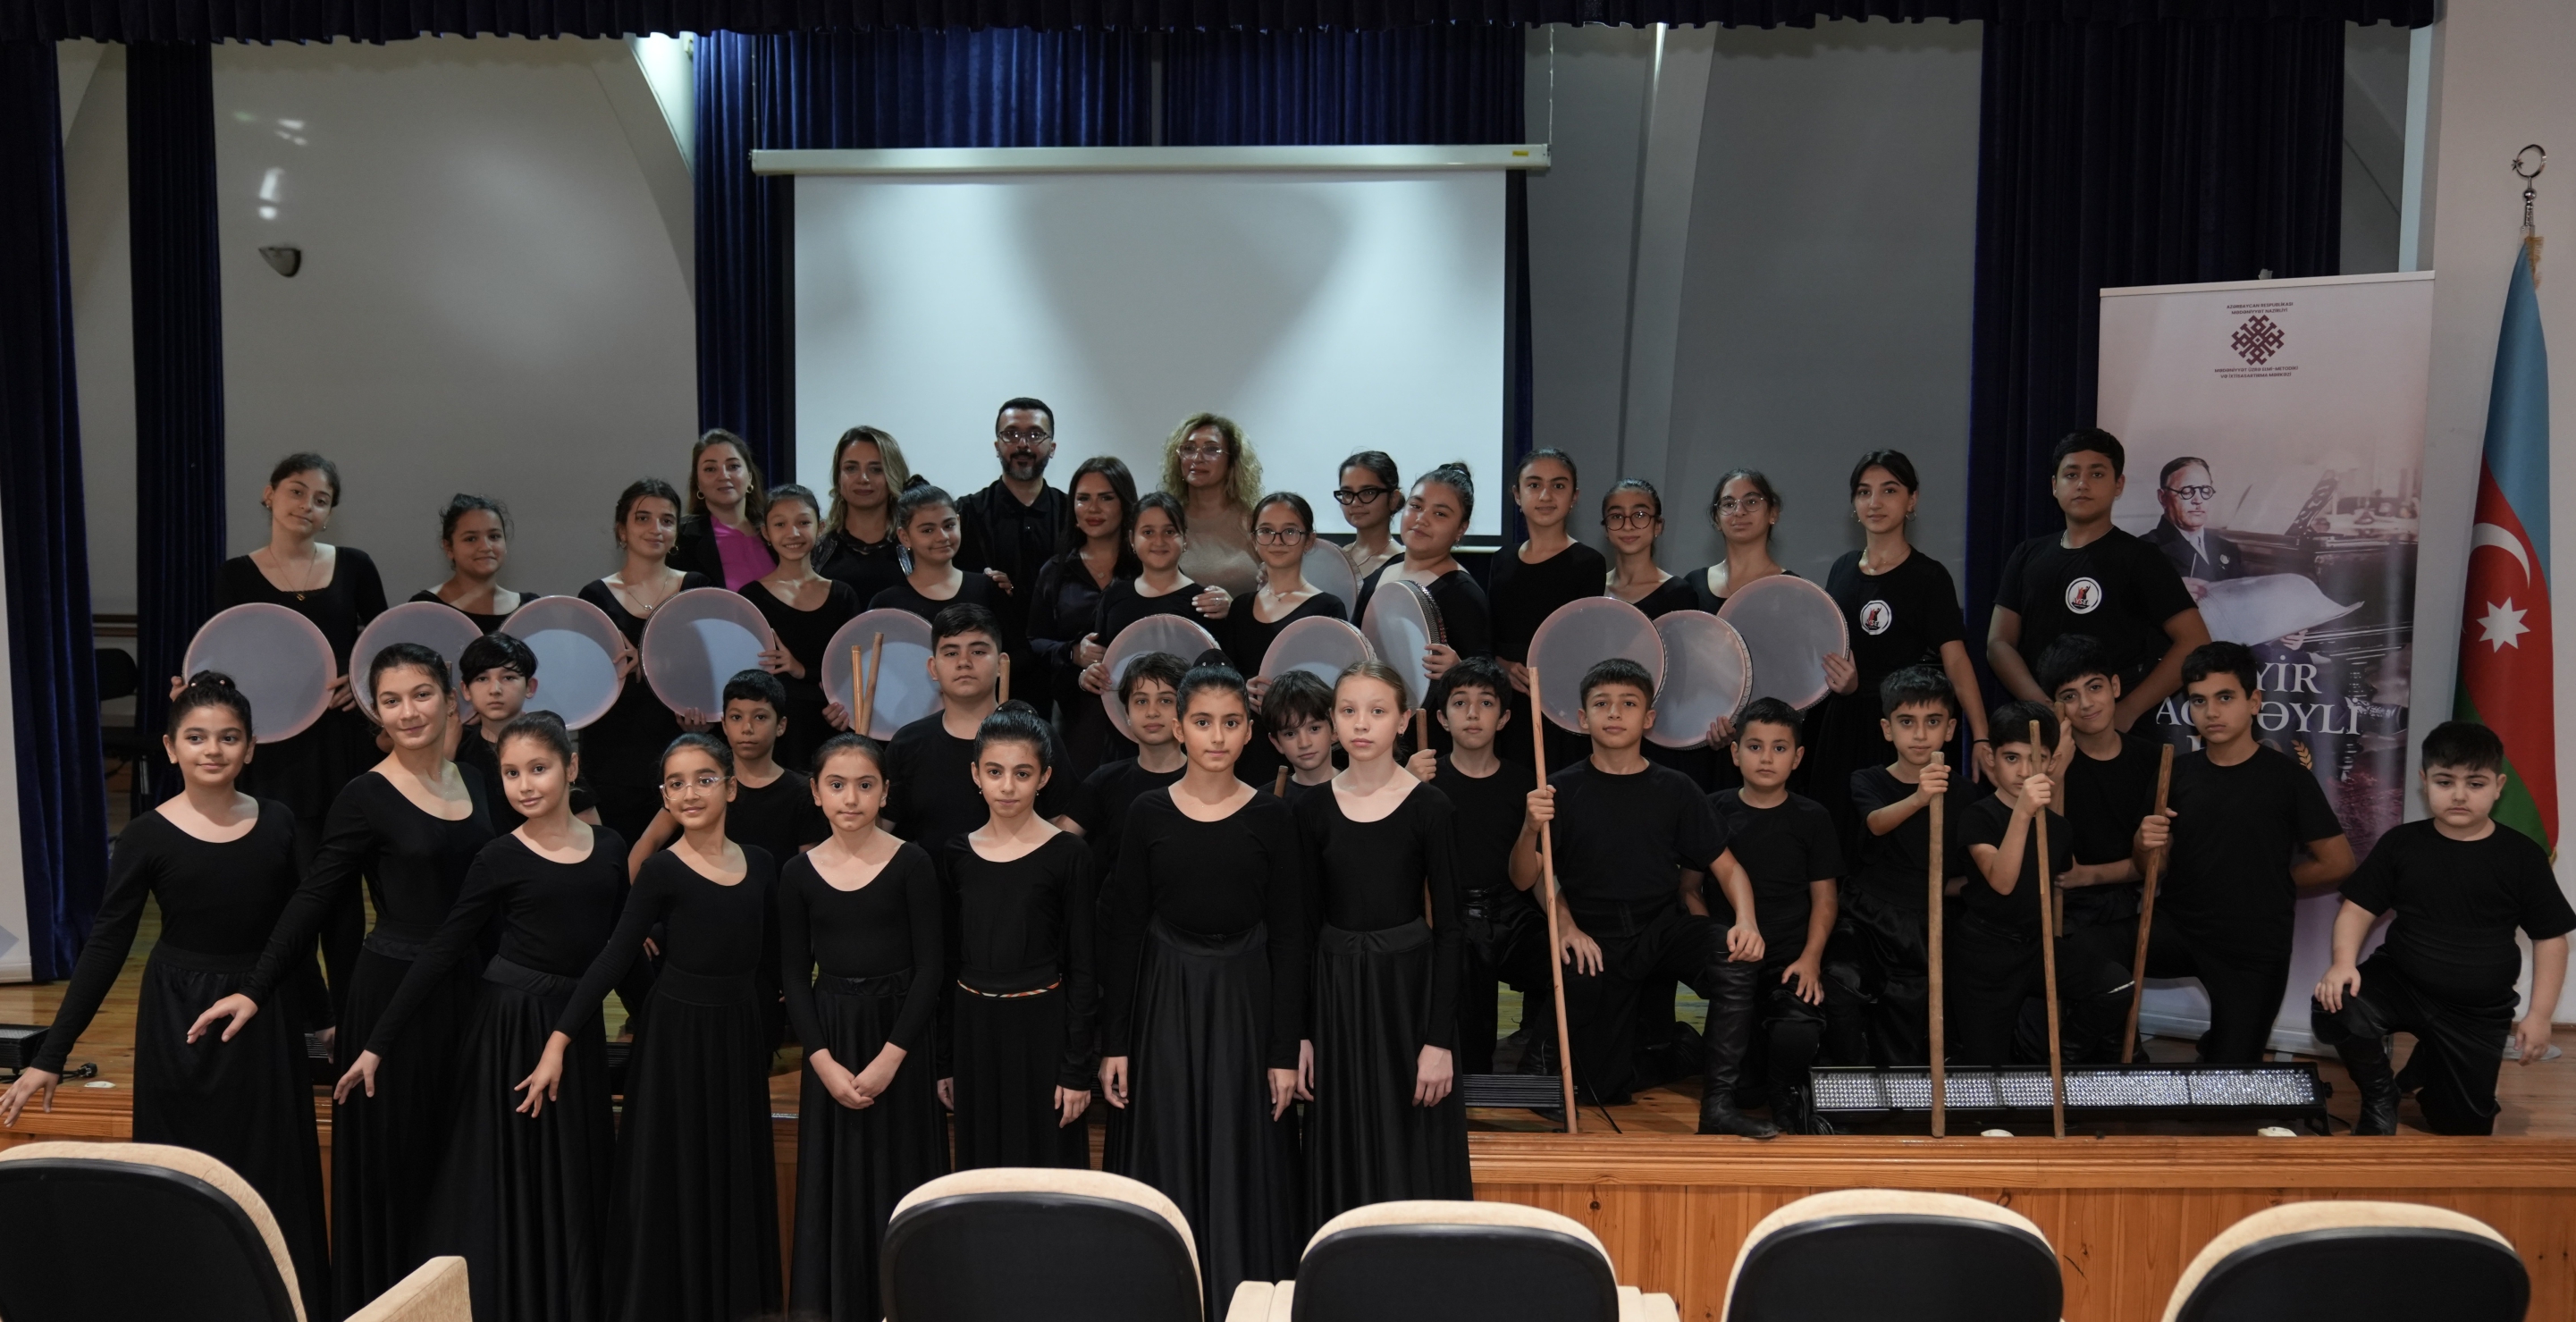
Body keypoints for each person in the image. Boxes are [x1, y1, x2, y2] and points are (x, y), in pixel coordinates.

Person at [3, 674, 331, 1322]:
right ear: (170, 747)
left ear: (251, 747)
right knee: (185, 1169)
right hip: (179, 1019)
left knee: (272, 1168)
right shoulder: (148, 834)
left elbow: (294, 935)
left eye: (229, 737)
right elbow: (106, 944)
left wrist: (324, 1021)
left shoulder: (280, 823)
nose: (213, 749)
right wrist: (51, 1053)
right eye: (197, 737)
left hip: (261, 1015)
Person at [189, 643, 497, 1316]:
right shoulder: (364, 794)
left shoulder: (477, 781)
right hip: (394, 999)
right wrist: (257, 987)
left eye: (421, 694)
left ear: (451, 700)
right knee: (399, 1173)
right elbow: (312, 900)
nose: (408, 711)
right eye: (390, 700)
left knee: (464, 1169)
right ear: (375, 712)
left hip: (471, 993)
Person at [332, 712, 645, 1322]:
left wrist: (659, 1023)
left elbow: (623, 954)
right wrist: (376, 1043)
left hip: (573, 1028)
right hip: (510, 1030)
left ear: (572, 768)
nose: (525, 784)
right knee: (508, 1179)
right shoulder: (498, 855)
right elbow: (444, 949)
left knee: (573, 1175)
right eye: (511, 773)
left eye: (539, 768)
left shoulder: (610, 848)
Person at [524, 733, 783, 1322]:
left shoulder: (763, 864)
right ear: (664, 797)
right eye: (676, 783)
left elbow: (772, 963)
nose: (690, 792)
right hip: (674, 1041)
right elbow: (614, 957)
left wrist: (771, 1039)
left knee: (733, 1176)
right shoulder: (662, 870)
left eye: (703, 779)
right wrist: (559, 1039)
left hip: (738, 1036)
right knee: (674, 1176)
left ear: (730, 787)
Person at [1099, 664, 1306, 1313]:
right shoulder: (1147, 812)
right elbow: (1125, 929)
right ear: (1179, 727)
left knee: (1243, 1151)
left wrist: (1283, 1050)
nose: (1217, 736)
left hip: (1245, 1001)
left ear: (1249, 732)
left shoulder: (1273, 816)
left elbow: (1292, 937)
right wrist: (1115, 1041)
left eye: (1231, 722)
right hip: (1166, 999)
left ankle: (1242, 1298)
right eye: (1203, 721)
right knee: (1167, 1143)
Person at [1510, 658, 1774, 1137]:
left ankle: (1719, 1105)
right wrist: (1531, 830)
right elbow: (1524, 876)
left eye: (1628, 704)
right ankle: (1675, 1053)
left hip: (1659, 929)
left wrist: (1747, 922)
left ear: (1648, 718)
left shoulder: (1676, 788)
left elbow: (1730, 869)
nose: (1615, 713)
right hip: (1594, 934)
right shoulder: (1560, 788)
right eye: (1602, 704)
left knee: (1732, 955)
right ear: (1582, 718)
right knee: (1603, 1087)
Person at [2313, 720, 2574, 1136]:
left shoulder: (2522, 856)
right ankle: (2381, 1095)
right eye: (2445, 781)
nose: (2459, 795)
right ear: (2425, 781)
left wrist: (2540, 1016)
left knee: (2461, 1127)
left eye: (2475, 783)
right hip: (2403, 982)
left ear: (2498, 786)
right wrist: (2342, 963)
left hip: (2476, 1010)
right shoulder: (2401, 843)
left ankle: (2429, 1063)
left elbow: (2551, 940)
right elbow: (2356, 910)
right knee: (2337, 1000)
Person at [205, 453, 388, 1012]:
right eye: (296, 491)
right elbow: (221, 659)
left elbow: (385, 650)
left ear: (330, 513)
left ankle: (350, 1016)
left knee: (342, 888)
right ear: (270, 495)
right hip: (274, 749)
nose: (306, 505)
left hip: (341, 745)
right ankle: (307, 1013)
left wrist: (361, 683)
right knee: (286, 887)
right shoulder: (235, 574)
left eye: (321, 499)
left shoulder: (355, 565)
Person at [1299, 661, 1469, 1225]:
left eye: (1377, 711)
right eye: (1348, 711)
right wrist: (1300, 1033)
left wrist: (1438, 1041)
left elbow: (1452, 929)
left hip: (1407, 997)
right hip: (1336, 998)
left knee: (1411, 1140)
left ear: (1403, 721)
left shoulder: (1430, 807)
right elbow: (1301, 930)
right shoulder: (1312, 810)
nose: (1361, 723)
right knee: (1342, 1140)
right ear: (1333, 721)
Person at [781, 735, 946, 1319]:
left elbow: (931, 968)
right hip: (832, 1038)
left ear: (884, 792)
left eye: (865, 785)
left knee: (900, 1176)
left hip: (899, 1039)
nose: (851, 798)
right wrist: (822, 1062)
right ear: (816, 793)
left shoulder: (913, 863)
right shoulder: (798, 873)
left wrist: (890, 1058)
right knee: (835, 1184)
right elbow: (794, 975)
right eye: (837, 785)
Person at [2136, 642, 2354, 1063]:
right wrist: (2143, 844)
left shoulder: (2289, 779)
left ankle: (2221, 1047)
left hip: (2252, 947)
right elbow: (2151, 867)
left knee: (2231, 1079)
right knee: (2087, 954)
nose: (2211, 712)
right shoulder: (2174, 773)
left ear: (2254, 702)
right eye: (2199, 701)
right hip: (2177, 927)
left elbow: (2339, 862)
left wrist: (2270, 880)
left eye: (2225, 697)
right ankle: (2104, 1049)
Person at [943, 706, 1099, 1169]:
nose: (1008, 786)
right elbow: (946, 963)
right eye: (995, 772)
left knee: (1046, 1167)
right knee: (981, 1168)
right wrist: (944, 1062)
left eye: (1022, 773)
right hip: (975, 1033)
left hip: (1043, 1031)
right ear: (976, 774)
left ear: (1044, 777)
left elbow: (1084, 966)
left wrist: (1076, 1070)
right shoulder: (956, 853)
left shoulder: (1068, 853)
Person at [1816, 451, 1990, 846]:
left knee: (1899, 847)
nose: (1875, 502)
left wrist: (1981, 736)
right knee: (1839, 839)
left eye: (1889, 490)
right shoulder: (1841, 569)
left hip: (1903, 733)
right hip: (1842, 727)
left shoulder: (1929, 576)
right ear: (1854, 504)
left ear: (1912, 500)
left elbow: (1956, 661)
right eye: (1864, 492)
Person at [1987, 429, 2210, 732]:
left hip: (2115, 734)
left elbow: (2194, 640)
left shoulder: (2142, 557)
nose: (2082, 484)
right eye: (2071, 475)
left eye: (2097, 474)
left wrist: (2128, 710)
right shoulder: (2027, 555)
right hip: (2041, 731)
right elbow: (1999, 643)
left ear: (2119, 485)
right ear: (2054, 486)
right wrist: (2044, 707)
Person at [1706, 700, 1842, 1133]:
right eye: (1755, 746)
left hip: (1790, 960)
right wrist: (1715, 939)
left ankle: (1787, 1093)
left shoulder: (1812, 817)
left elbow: (1825, 899)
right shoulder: (1713, 810)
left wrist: (1811, 959)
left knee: (1796, 1034)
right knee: (1743, 1087)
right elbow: (1688, 888)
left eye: (1779, 748)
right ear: (1735, 752)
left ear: (1797, 757)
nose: (1766, 758)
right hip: (1734, 964)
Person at [1404, 658, 1544, 1076]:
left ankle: (1539, 1067)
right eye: (1460, 702)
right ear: (1443, 719)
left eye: (1486, 703)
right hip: (1450, 915)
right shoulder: (1424, 781)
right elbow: (1398, 855)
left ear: (1503, 718)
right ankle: (1471, 1078)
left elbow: (1529, 877)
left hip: (1510, 912)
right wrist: (1404, 787)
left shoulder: (1523, 783)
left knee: (1572, 969)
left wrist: (1565, 924)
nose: (1472, 713)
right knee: (1471, 1042)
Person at [2035, 634, 2168, 1062]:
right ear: (2056, 706)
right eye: (2069, 696)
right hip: (2061, 906)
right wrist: (2057, 770)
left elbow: (2156, 863)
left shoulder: (2152, 760)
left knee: (2113, 967)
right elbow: (2043, 855)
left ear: (2115, 685)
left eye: (2094, 687)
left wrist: (2089, 875)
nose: (2086, 704)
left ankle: (2113, 1053)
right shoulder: (2045, 764)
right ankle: (2093, 1056)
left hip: (2125, 902)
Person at [1841, 665, 1967, 1067]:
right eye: (1907, 722)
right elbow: (1876, 823)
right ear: (1887, 729)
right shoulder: (1868, 780)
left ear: (1950, 729)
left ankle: (1913, 1083)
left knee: (1918, 1014)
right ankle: (1855, 1080)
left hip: (1929, 920)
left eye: (1933, 721)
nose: (1920, 734)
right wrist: (1919, 797)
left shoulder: (1966, 794)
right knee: (1846, 987)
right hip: (1868, 918)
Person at [579, 477, 713, 845]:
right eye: (643, 518)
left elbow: (708, 670)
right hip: (612, 758)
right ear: (621, 530)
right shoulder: (594, 596)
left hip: (681, 754)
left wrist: (704, 719)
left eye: (667, 520)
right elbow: (586, 683)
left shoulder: (697, 587)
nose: (656, 528)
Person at [885, 605, 1079, 851]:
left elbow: (1064, 821)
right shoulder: (908, 743)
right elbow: (878, 829)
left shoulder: (1036, 736)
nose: (964, 662)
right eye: (951, 653)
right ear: (933, 667)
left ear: (1001, 664)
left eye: (978, 651)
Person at [1949, 703, 2079, 1067]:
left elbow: (2059, 880)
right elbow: (2002, 882)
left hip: (2035, 947)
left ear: (2052, 762)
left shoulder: (2059, 827)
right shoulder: (1979, 815)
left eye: (2037, 759)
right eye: (2012, 758)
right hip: (1984, 954)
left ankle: (2068, 1064)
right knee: (1986, 1066)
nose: (2024, 771)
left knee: (2116, 987)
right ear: (1992, 759)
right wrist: (2022, 812)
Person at [627, 669, 826, 878]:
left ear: (780, 725)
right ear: (724, 724)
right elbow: (650, 840)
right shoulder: (705, 783)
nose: (747, 728)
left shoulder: (801, 791)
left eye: (760, 717)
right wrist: (635, 892)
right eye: (736, 717)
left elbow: (808, 869)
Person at [957, 399, 1073, 719]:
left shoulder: (1074, 516)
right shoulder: (965, 514)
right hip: (987, 673)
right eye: (1011, 434)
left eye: (1035, 434)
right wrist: (981, 585)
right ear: (997, 445)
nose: (1023, 444)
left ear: (1052, 447)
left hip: (1063, 672)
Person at [1028, 456, 1141, 778]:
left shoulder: (1147, 565)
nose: (1093, 508)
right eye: (1083, 498)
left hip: (1140, 709)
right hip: (1073, 710)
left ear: (1125, 504)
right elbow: (1034, 641)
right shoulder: (1055, 571)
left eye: (1106, 498)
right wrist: (1072, 653)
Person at [743, 484, 863, 771]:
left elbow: (856, 670)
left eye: (803, 523)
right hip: (774, 734)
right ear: (766, 533)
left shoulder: (842, 595)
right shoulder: (750, 598)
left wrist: (802, 670)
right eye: (780, 524)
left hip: (831, 727)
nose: (793, 533)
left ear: (820, 527)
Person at [1229, 492, 1345, 789]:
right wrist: (1242, 688)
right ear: (1254, 539)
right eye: (1267, 531)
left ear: (1309, 540)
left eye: (1290, 531)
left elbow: (1338, 684)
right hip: (1249, 743)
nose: (1277, 541)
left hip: (1304, 746)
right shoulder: (1240, 607)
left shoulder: (1328, 607)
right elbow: (1228, 673)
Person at [1351, 463, 1493, 686]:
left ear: (1461, 529)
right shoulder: (1377, 578)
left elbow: (1486, 680)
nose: (1422, 519)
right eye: (1416, 506)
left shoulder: (1463, 593)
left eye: (1440, 513)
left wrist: (1460, 671)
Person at [454, 632, 602, 834]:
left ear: (530, 687)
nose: (495, 689)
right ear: (466, 690)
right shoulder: (458, 747)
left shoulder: (547, 744)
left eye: (508, 677)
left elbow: (593, 834)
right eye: (482, 678)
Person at [1487, 450, 1608, 688]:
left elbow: (1586, 644)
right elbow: (1490, 636)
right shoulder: (1502, 558)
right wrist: (1501, 666)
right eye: (1534, 485)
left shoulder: (1589, 563)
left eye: (1558, 486)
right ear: (1517, 495)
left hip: (1560, 691)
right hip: (1502, 692)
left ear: (1574, 497)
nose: (1546, 496)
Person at [1073, 653, 1191, 880]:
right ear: (1127, 713)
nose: (1152, 712)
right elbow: (1058, 842)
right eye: (1141, 701)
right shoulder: (1104, 780)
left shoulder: (1207, 779)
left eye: (1166, 700)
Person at [1163, 413, 1262, 601]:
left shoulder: (1255, 522)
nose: (1197, 458)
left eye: (1211, 449)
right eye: (1189, 449)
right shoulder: (1165, 521)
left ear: (1232, 460)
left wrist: (1234, 608)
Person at [871, 484, 1002, 625]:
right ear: (905, 537)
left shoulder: (987, 589)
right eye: (928, 530)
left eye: (949, 526)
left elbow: (1012, 639)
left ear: (958, 522)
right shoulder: (888, 603)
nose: (942, 537)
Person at [813, 425, 913, 605]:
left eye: (876, 469)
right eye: (851, 468)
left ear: (893, 475)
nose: (863, 479)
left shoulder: (916, 546)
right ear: (838, 478)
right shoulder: (816, 548)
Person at [673, 429, 776, 592]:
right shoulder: (679, 539)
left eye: (733, 466)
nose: (724, 476)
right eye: (710, 469)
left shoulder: (776, 529)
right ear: (698, 483)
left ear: (749, 476)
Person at [410, 493, 523, 632]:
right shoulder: (424, 609)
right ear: (449, 548)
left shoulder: (529, 608)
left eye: (494, 536)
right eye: (471, 539)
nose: (486, 547)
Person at [2140, 455, 2248, 592]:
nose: (2198, 500)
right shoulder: (2143, 551)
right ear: (2163, 498)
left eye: (2205, 491)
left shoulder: (2228, 549)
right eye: (2187, 491)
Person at [1686, 469, 1789, 612]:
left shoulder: (1792, 588)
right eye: (1728, 504)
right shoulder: (1693, 586)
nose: (1739, 512)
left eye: (1751, 502)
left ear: (1773, 513)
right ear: (1717, 520)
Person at [1600, 478, 1695, 619]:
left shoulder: (1678, 593)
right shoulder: (1593, 587)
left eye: (1639, 515)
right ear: (1606, 529)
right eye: (1617, 516)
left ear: (1658, 525)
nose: (1627, 526)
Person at [1261, 670, 1339, 804]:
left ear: (1334, 730)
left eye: (1314, 729)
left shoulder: (1362, 791)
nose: (1304, 743)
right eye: (1290, 734)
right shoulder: (1264, 803)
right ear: (1277, 743)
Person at [1334, 451, 1403, 584]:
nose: (1355, 503)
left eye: (1368, 492)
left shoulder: (1405, 565)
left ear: (1393, 498)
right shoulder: (1335, 557)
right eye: (1347, 493)